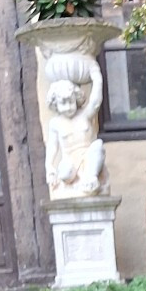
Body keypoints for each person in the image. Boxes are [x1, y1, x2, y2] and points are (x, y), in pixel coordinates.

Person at [45, 66, 107, 197]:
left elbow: (95, 102)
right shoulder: (55, 123)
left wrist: (97, 79)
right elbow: (52, 147)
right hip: (70, 163)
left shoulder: (84, 115)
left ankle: (91, 178)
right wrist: (49, 166)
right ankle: (81, 182)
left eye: (71, 102)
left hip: (89, 159)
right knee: (65, 172)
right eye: (63, 104)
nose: (68, 107)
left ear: (76, 99)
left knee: (98, 145)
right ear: (55, 104)